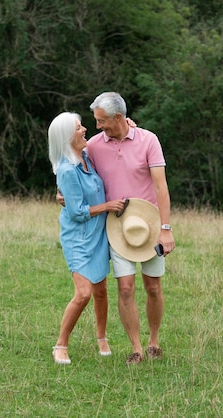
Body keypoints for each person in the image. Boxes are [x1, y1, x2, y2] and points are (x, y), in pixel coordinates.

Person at [59, 92, 175, 364]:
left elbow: (161, 186)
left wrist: (166, 228)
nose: (97, 126)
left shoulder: (149, 140)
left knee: (154, 287)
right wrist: (60, 191)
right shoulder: (95, 146)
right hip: (117, 229)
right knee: (125, 287)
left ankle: (153, 341)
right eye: (95, 121)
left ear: (120, 118)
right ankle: (135, 348)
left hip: (149, 225)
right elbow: (71, 165)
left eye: (101, 121)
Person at [48, 112, 126, 365]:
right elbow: (77, 213)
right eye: (79, 127)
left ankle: (102, 337)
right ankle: (60, 345)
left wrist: (129, 123)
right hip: (78, 238)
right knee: (83, 294)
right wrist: (106, 206)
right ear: (66, 137)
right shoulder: (68, 170)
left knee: (101, 290)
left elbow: (110, 133)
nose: (85, 130)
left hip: (98, 236)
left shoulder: (85, 157)